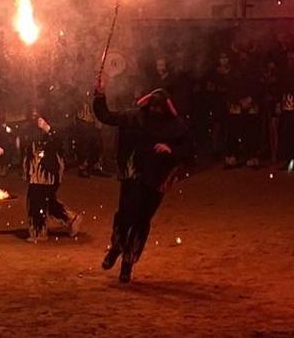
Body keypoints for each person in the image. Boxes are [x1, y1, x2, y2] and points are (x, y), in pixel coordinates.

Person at [93, 83, 189, 283]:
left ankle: (127, 263)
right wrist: (100, 95)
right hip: (133, 175)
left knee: (142, 220)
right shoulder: (134, 117)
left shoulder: (176, 126)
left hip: (156, 179)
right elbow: (106, 116)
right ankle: (116, 248)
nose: (155, 111)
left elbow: (188, 150)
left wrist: (170, 149)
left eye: (159, 108)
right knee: (126, 216)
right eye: (152, 107)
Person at [23, 113, 83, 242]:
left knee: (38, 198)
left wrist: (48, 129)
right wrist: (2, 149)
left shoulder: (56, 120)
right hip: (36, 170)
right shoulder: (28, 127)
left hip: (48, 170)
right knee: (46, 200)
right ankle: (70, 219)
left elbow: (60, 141)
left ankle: (39, 231)